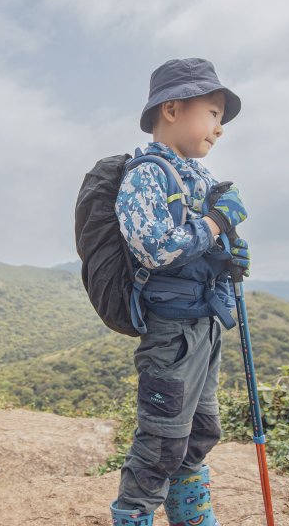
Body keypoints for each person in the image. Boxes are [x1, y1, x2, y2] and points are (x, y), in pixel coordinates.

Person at [110, 58, 250, 526]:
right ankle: (134, 516)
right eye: (212, 113)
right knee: (161, 444)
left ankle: (192, 518)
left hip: (206, 326)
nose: (220, 128)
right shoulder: (145, 175)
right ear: (171, 109)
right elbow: (153, 249)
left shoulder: (201, 179)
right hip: (171, 335)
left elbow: (206, 245)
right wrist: (215, 224)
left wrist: (230, 252)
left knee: (200, 432)